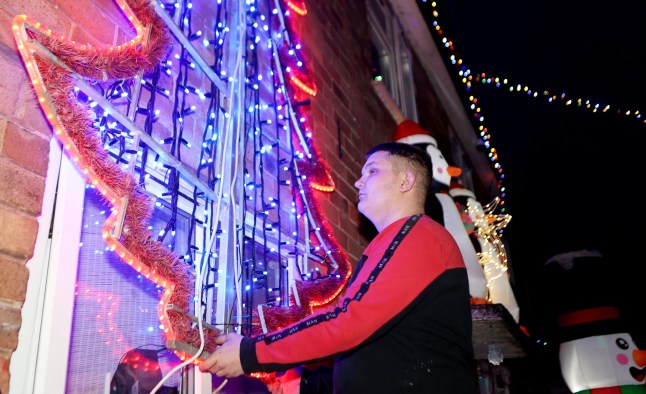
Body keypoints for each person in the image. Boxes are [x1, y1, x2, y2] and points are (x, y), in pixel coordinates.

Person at [201, 142, 479, 393]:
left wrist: (250, 354)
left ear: (406, 181)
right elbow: (380, 347)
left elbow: (349, 321)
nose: (359, 182)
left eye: (372, 171)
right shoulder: (398, 242)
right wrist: (303, 378)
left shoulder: (419, 236)